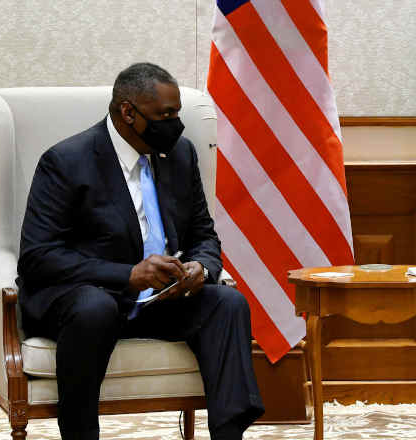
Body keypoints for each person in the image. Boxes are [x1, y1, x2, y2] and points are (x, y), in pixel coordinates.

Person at [17, 62, 264, 440]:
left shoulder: (180, 155)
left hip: (161, 299)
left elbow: (204, 234)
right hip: (92, 299)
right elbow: (38, 256)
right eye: (165, 115)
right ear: (128, 112)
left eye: (177, 113)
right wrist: (127, 275)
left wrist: (201, 266)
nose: (175, 124)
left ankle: (229, 436)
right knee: (93, 309)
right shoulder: (67, 161)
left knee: (228, 304)